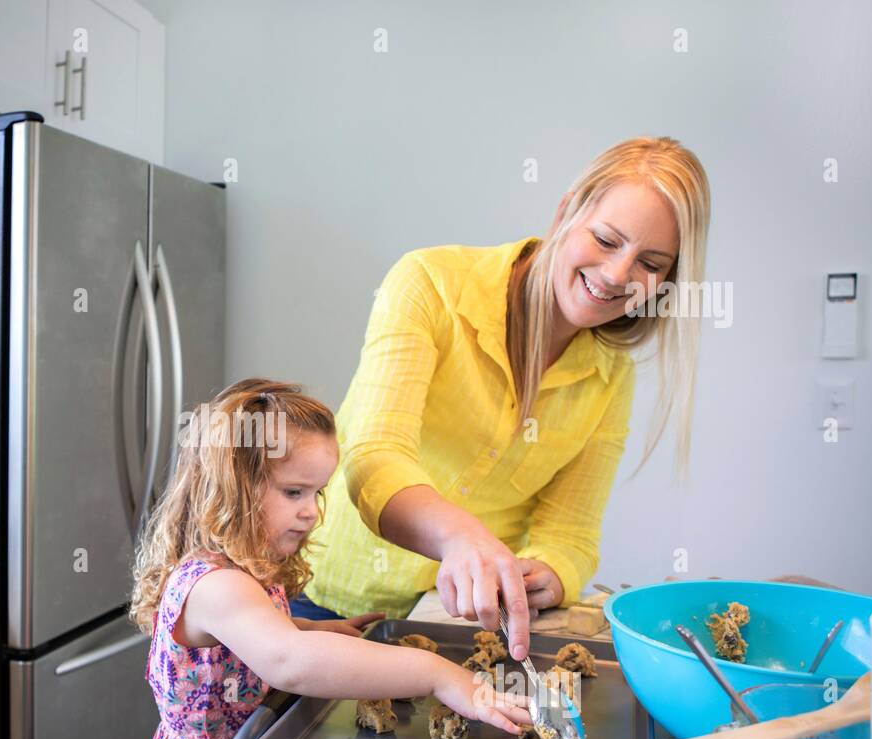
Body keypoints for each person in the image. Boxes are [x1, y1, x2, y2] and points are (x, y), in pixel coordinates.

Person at [299, 137, 712, 659]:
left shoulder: (612, 376)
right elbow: (373, 459)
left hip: (460, 626)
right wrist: (459, 538)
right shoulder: (429, 284)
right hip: (328, 607)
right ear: (566, 211)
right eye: (607, 240)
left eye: (649, 262)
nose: (616, 275)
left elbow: (571, 533)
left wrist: (549, 573)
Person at [121, 378, 529, 739]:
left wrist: (312, 630)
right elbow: (288, 662)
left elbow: (249, 643)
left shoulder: (242, 569)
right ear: (233, 485)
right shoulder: (215, 584)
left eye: (317, 492)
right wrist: (438, 673)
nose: (312, 512)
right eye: (294, 491)